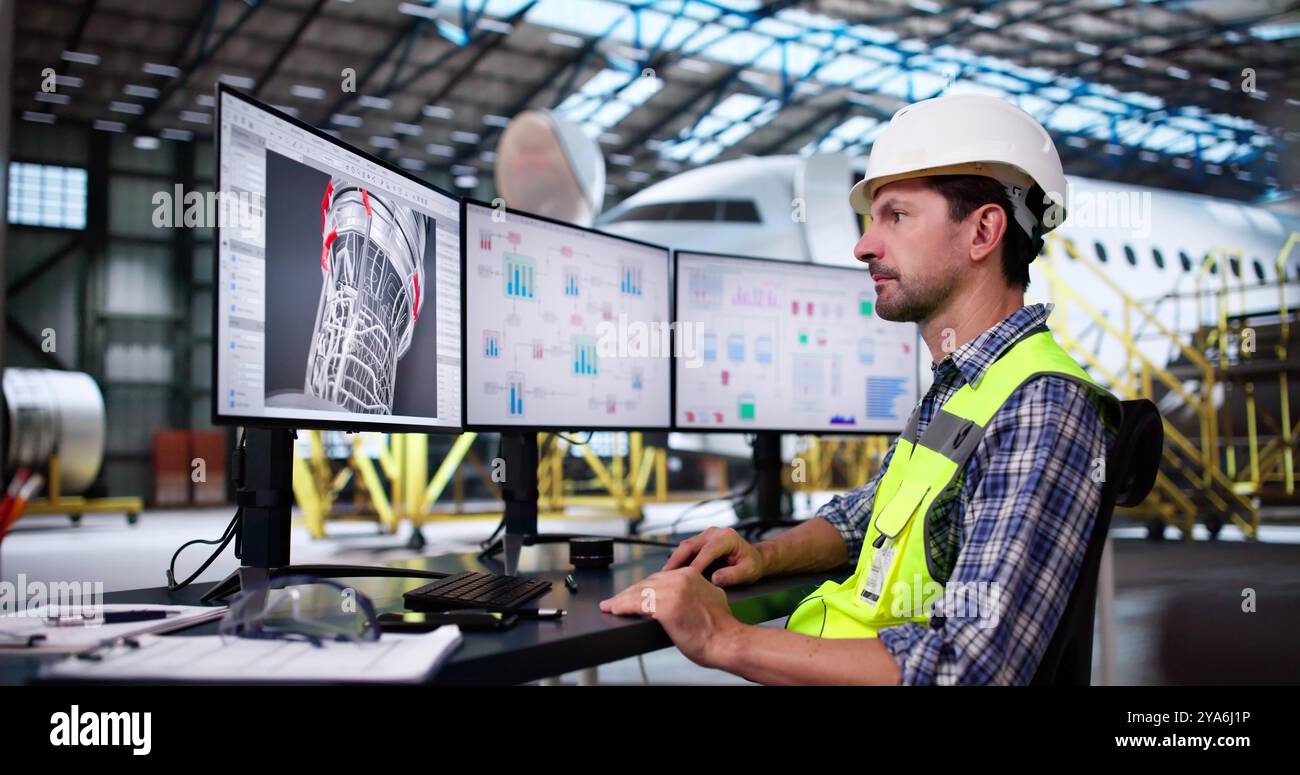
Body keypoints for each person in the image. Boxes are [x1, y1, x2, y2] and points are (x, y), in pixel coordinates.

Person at [600, 94, 1118, 685]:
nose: (863, 245)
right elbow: (866, 517)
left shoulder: (1041, 405)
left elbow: (974, 668)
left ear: (983, 232)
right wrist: (761, 553)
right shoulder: (962, 388)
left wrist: (725, 639)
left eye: (895, 216)